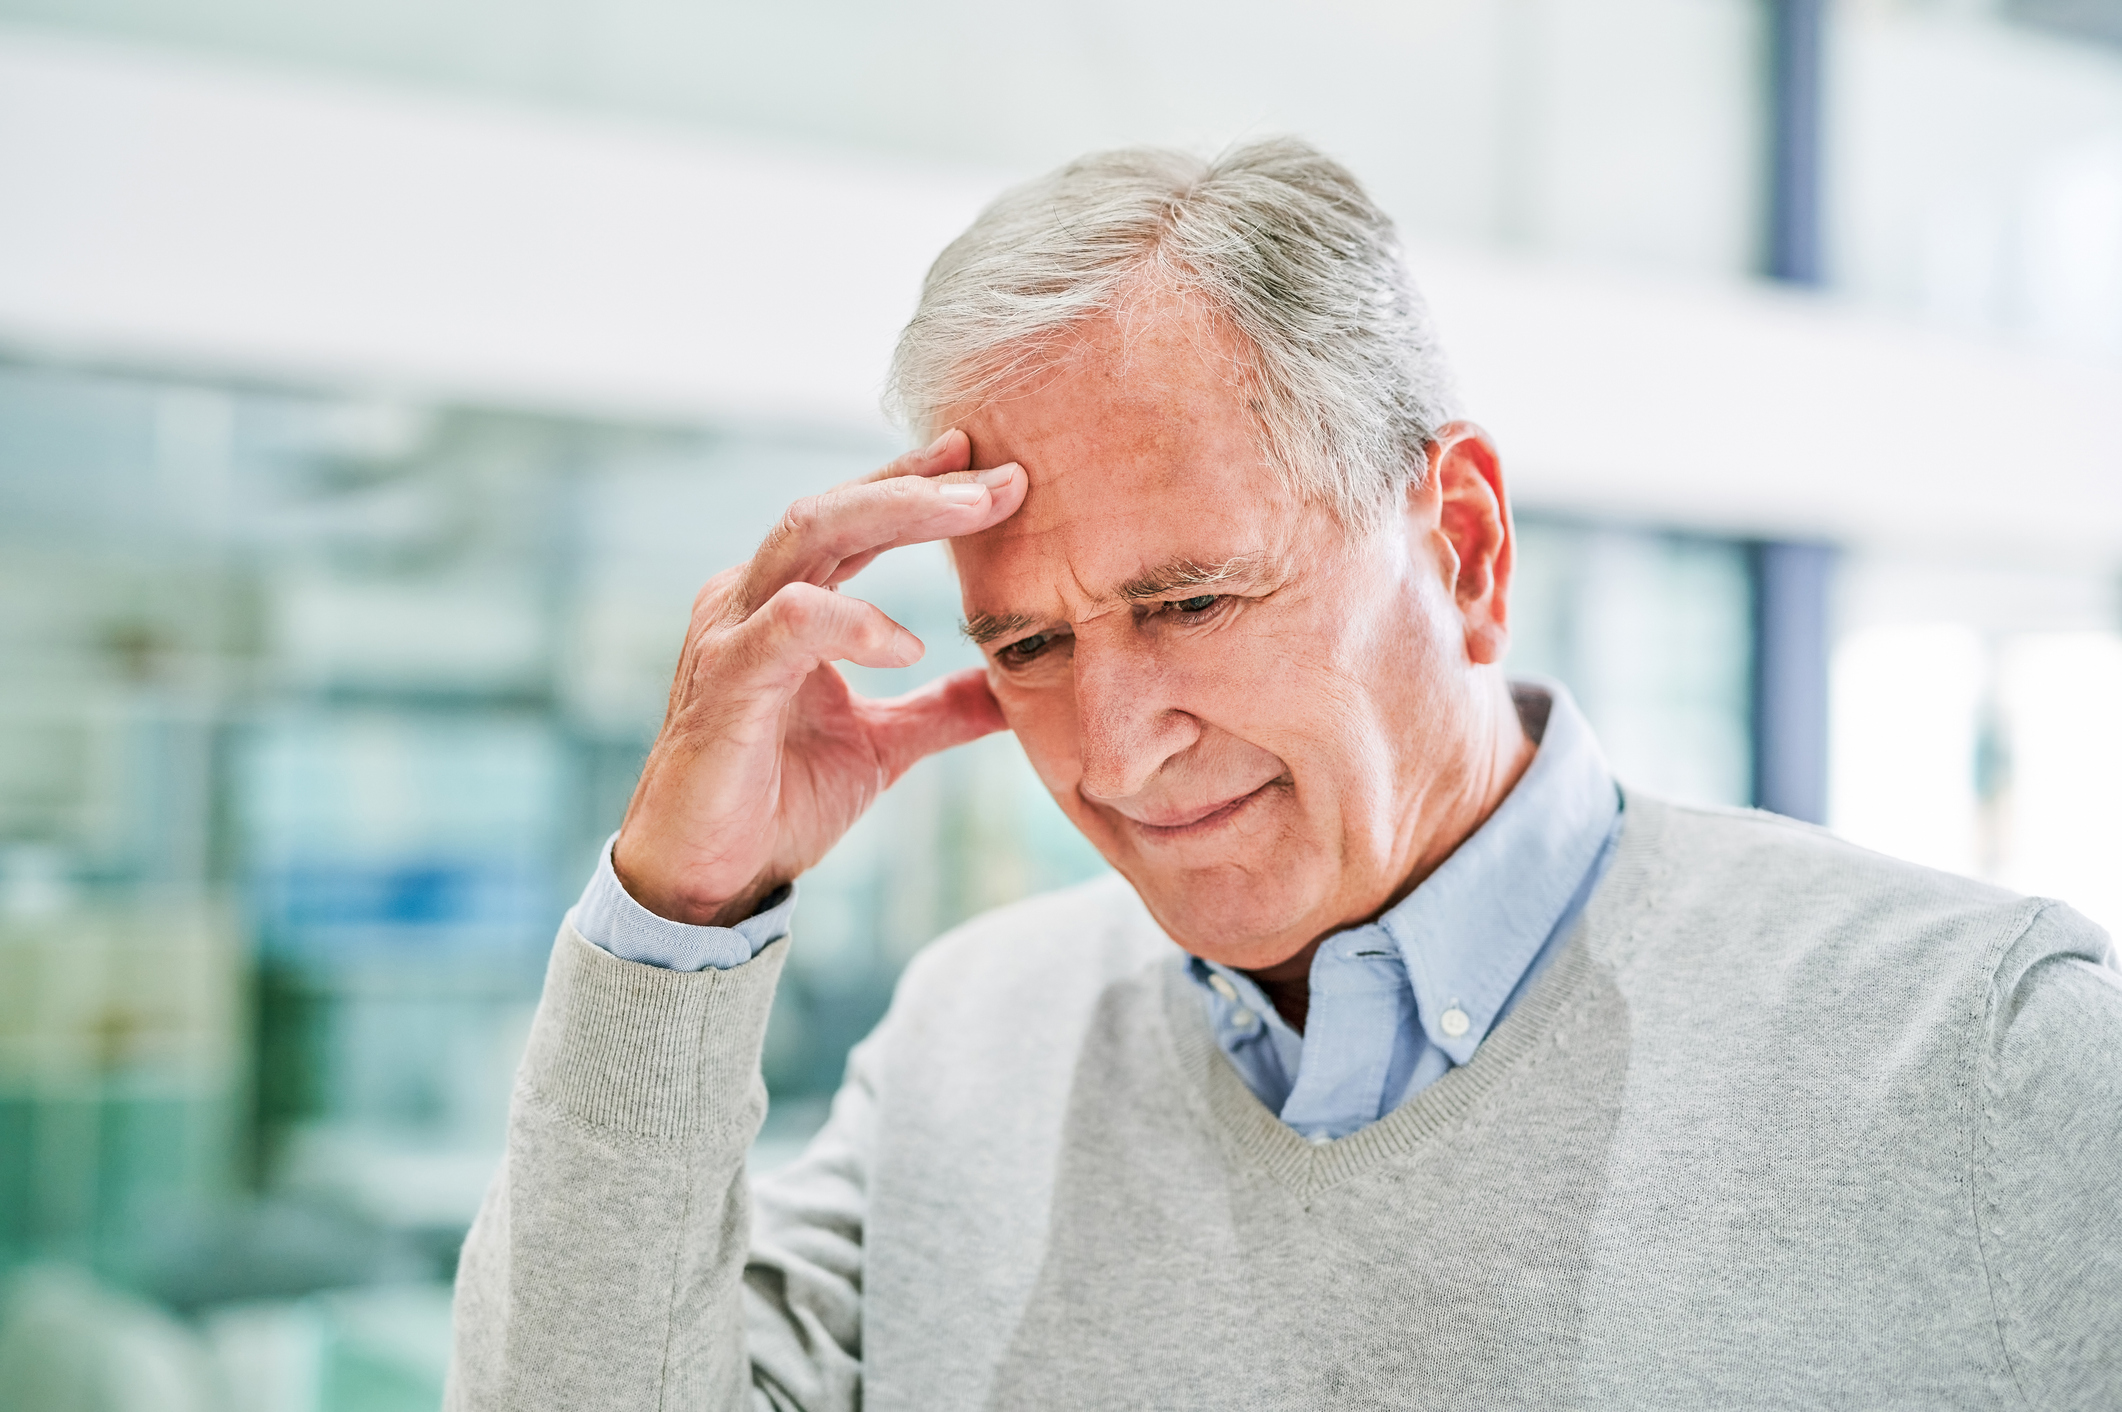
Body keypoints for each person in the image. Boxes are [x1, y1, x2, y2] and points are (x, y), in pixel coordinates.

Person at [445, 140, 2121, 1411]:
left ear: (1459, 545)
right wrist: (678, 915)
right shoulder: (968, 1047)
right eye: (1026, 645)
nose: (1110, 749)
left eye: (1186, 600)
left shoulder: (1987, 1059)